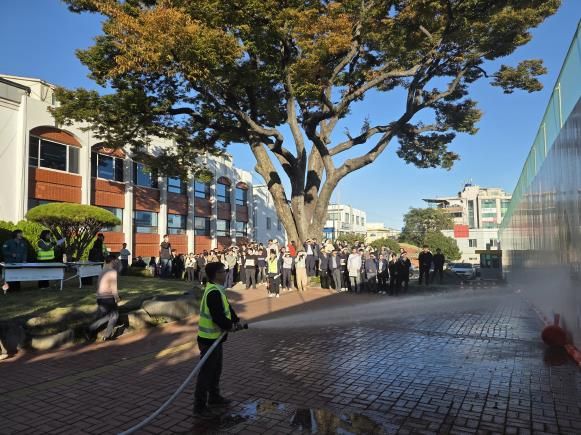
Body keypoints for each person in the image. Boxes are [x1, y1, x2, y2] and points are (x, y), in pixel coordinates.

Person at [194, 261, 241, 418]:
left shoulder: (218, 289)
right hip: (208, 340)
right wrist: (229, 326)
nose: (226, 273)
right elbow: (217, 316)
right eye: (223, 271)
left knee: (216, 370)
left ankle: (214, 397)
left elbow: (227, 307)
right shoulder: (213, 292)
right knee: (206, 374)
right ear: (216, 275)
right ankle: (199, 407)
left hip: (215, 339)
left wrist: (236, 320)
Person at [88, 255, 120, 341]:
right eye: (116, 261)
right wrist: (117, 297)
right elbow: (113, 286)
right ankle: (104, 334)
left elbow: (98, 285)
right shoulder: (112, 272)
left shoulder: (102, 271)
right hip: (108, 298)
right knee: (114, 315)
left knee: (109, 316)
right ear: (112, 261)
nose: (117, 263)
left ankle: (92, 329)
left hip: (100, 297)